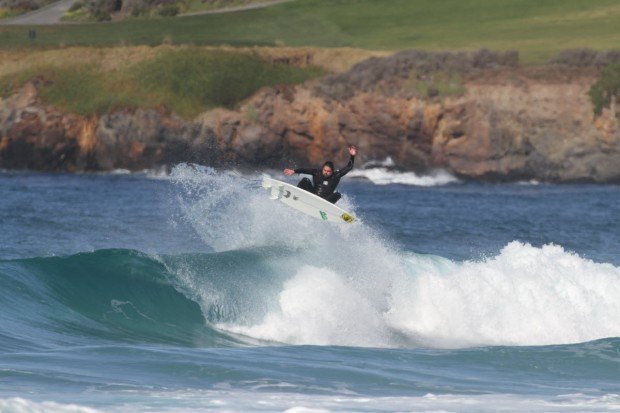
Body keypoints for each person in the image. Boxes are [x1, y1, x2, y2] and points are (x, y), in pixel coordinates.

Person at [283, 146, 357, 204]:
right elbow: (304, 170)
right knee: (305, 180)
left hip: (326, 201)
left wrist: (352, 156)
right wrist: (294, 171)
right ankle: (296, 196)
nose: (326, 172)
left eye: (328, 171)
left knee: (338, 194)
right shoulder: (317, 172)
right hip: (313, 195)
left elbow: (348, 167)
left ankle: (327, 208)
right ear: (322, 169)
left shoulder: (336, 175)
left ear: (332, 171)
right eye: (324, 170)